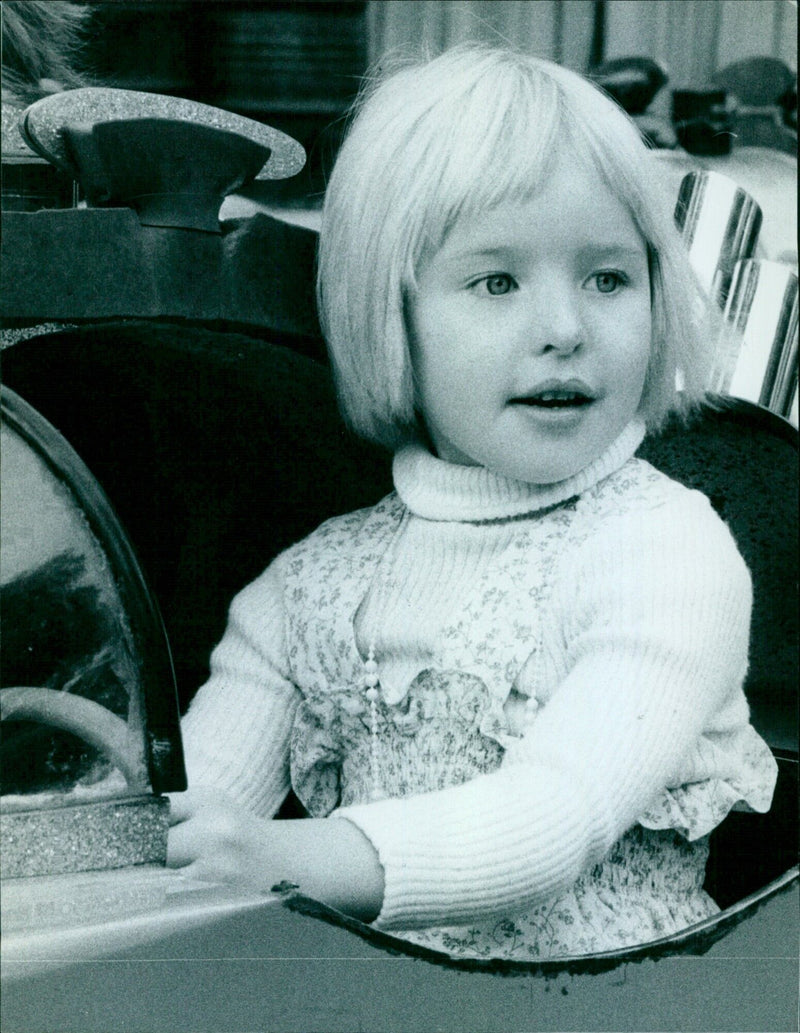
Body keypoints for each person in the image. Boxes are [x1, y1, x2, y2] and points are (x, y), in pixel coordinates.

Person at [168, 45, 778, 960]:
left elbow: (552, 820)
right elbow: (193, 812)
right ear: (393, 314)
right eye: (497, 282)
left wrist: (278, 856)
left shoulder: (664, 552)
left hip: (614, 1013)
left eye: (608, 277)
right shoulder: (313, 584)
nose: (566, 331)